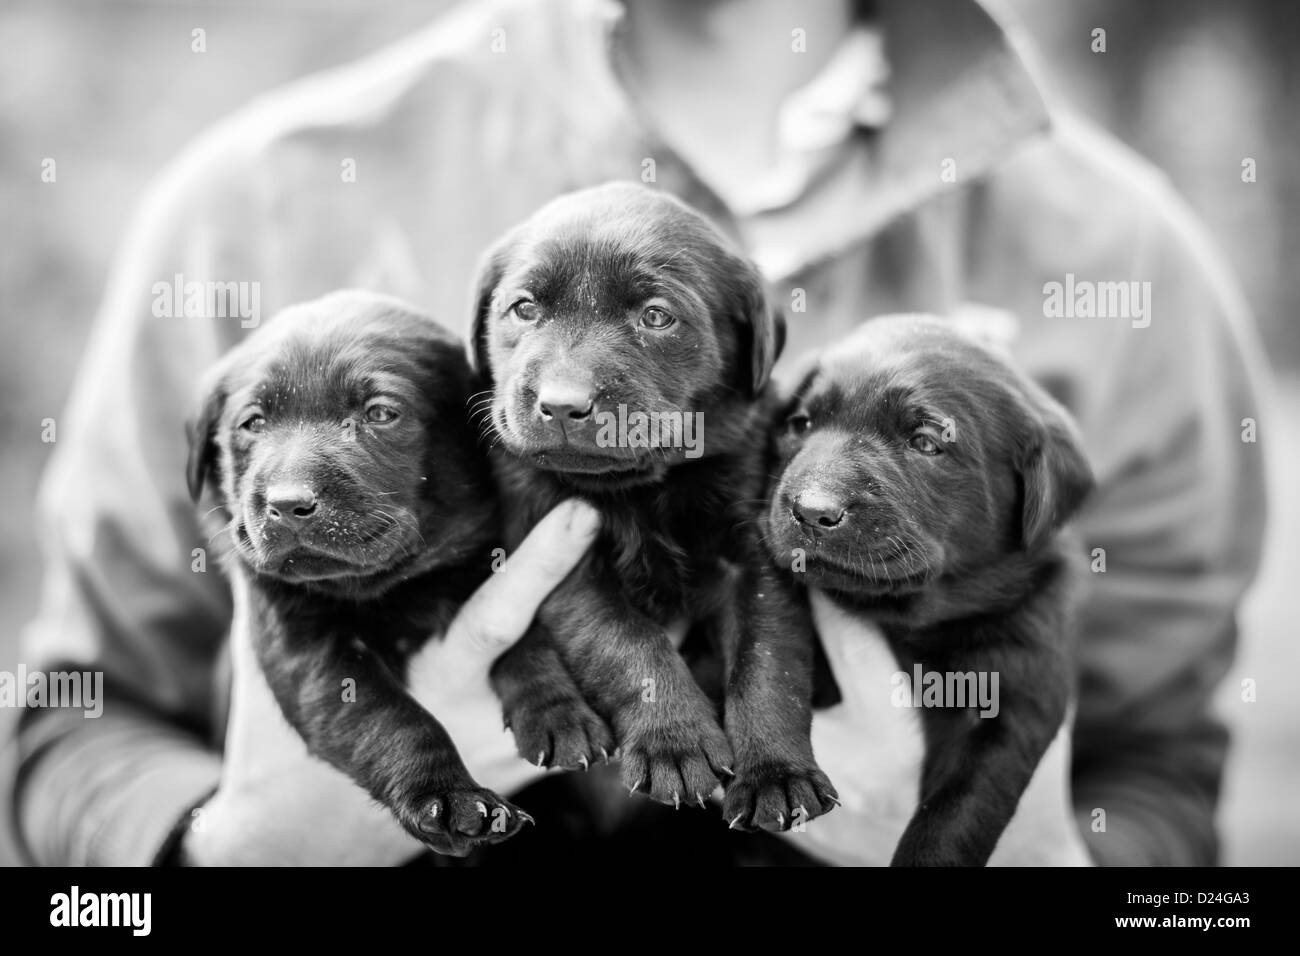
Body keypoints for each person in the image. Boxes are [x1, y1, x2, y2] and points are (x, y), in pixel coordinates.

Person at [13, 0, 1267, 866]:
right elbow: (70, 725)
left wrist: (1035, 863)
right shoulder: (253, 202)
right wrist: (229, 852)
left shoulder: (1125, 256)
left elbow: (1165, 785)